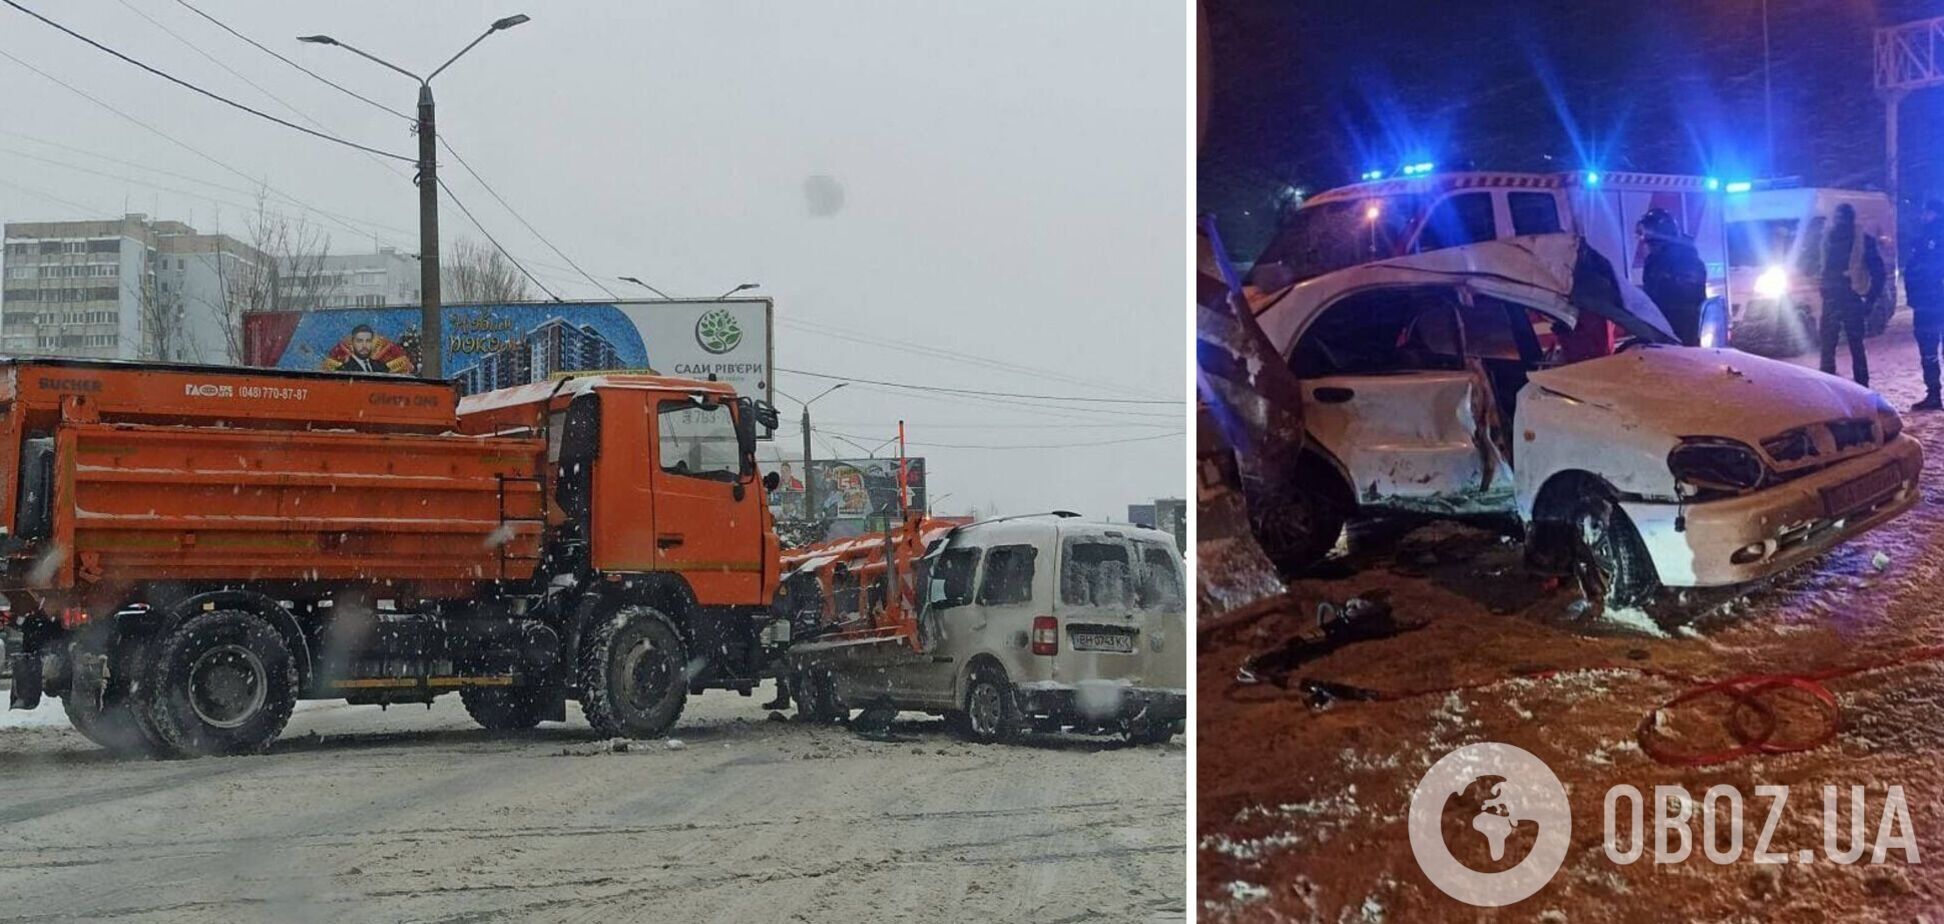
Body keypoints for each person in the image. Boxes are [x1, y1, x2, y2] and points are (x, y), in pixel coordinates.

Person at [1818, 203, 1887, 387]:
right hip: (1836, 296)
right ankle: (1834, 385)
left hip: (1849, 296)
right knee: (1832, 346)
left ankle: (1855, 387)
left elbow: (1878, 272)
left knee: (1849, 346)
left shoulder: (1859, 240)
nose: (1840, 222)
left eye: (1843, 218)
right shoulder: (1828, 239)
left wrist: (1870, 299)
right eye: (1838, 217)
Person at [1636, 208, 1707, 346]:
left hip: (1683, 331)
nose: (1646, 245)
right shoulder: (1653, 261)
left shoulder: (1688, 262)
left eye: (1651, 242)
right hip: (1660, 327)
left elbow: (1688, 303)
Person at [1908, 199, 1944, 410]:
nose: (1923, 215)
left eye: (1925, 212)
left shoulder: (1927, 238)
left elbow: (1920, 270)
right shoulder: (1924, 237)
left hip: (1929, 304)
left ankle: (1934, 394)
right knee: (1929, 350)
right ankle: (1933, 394)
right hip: (1929, 302)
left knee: (1928, 351)